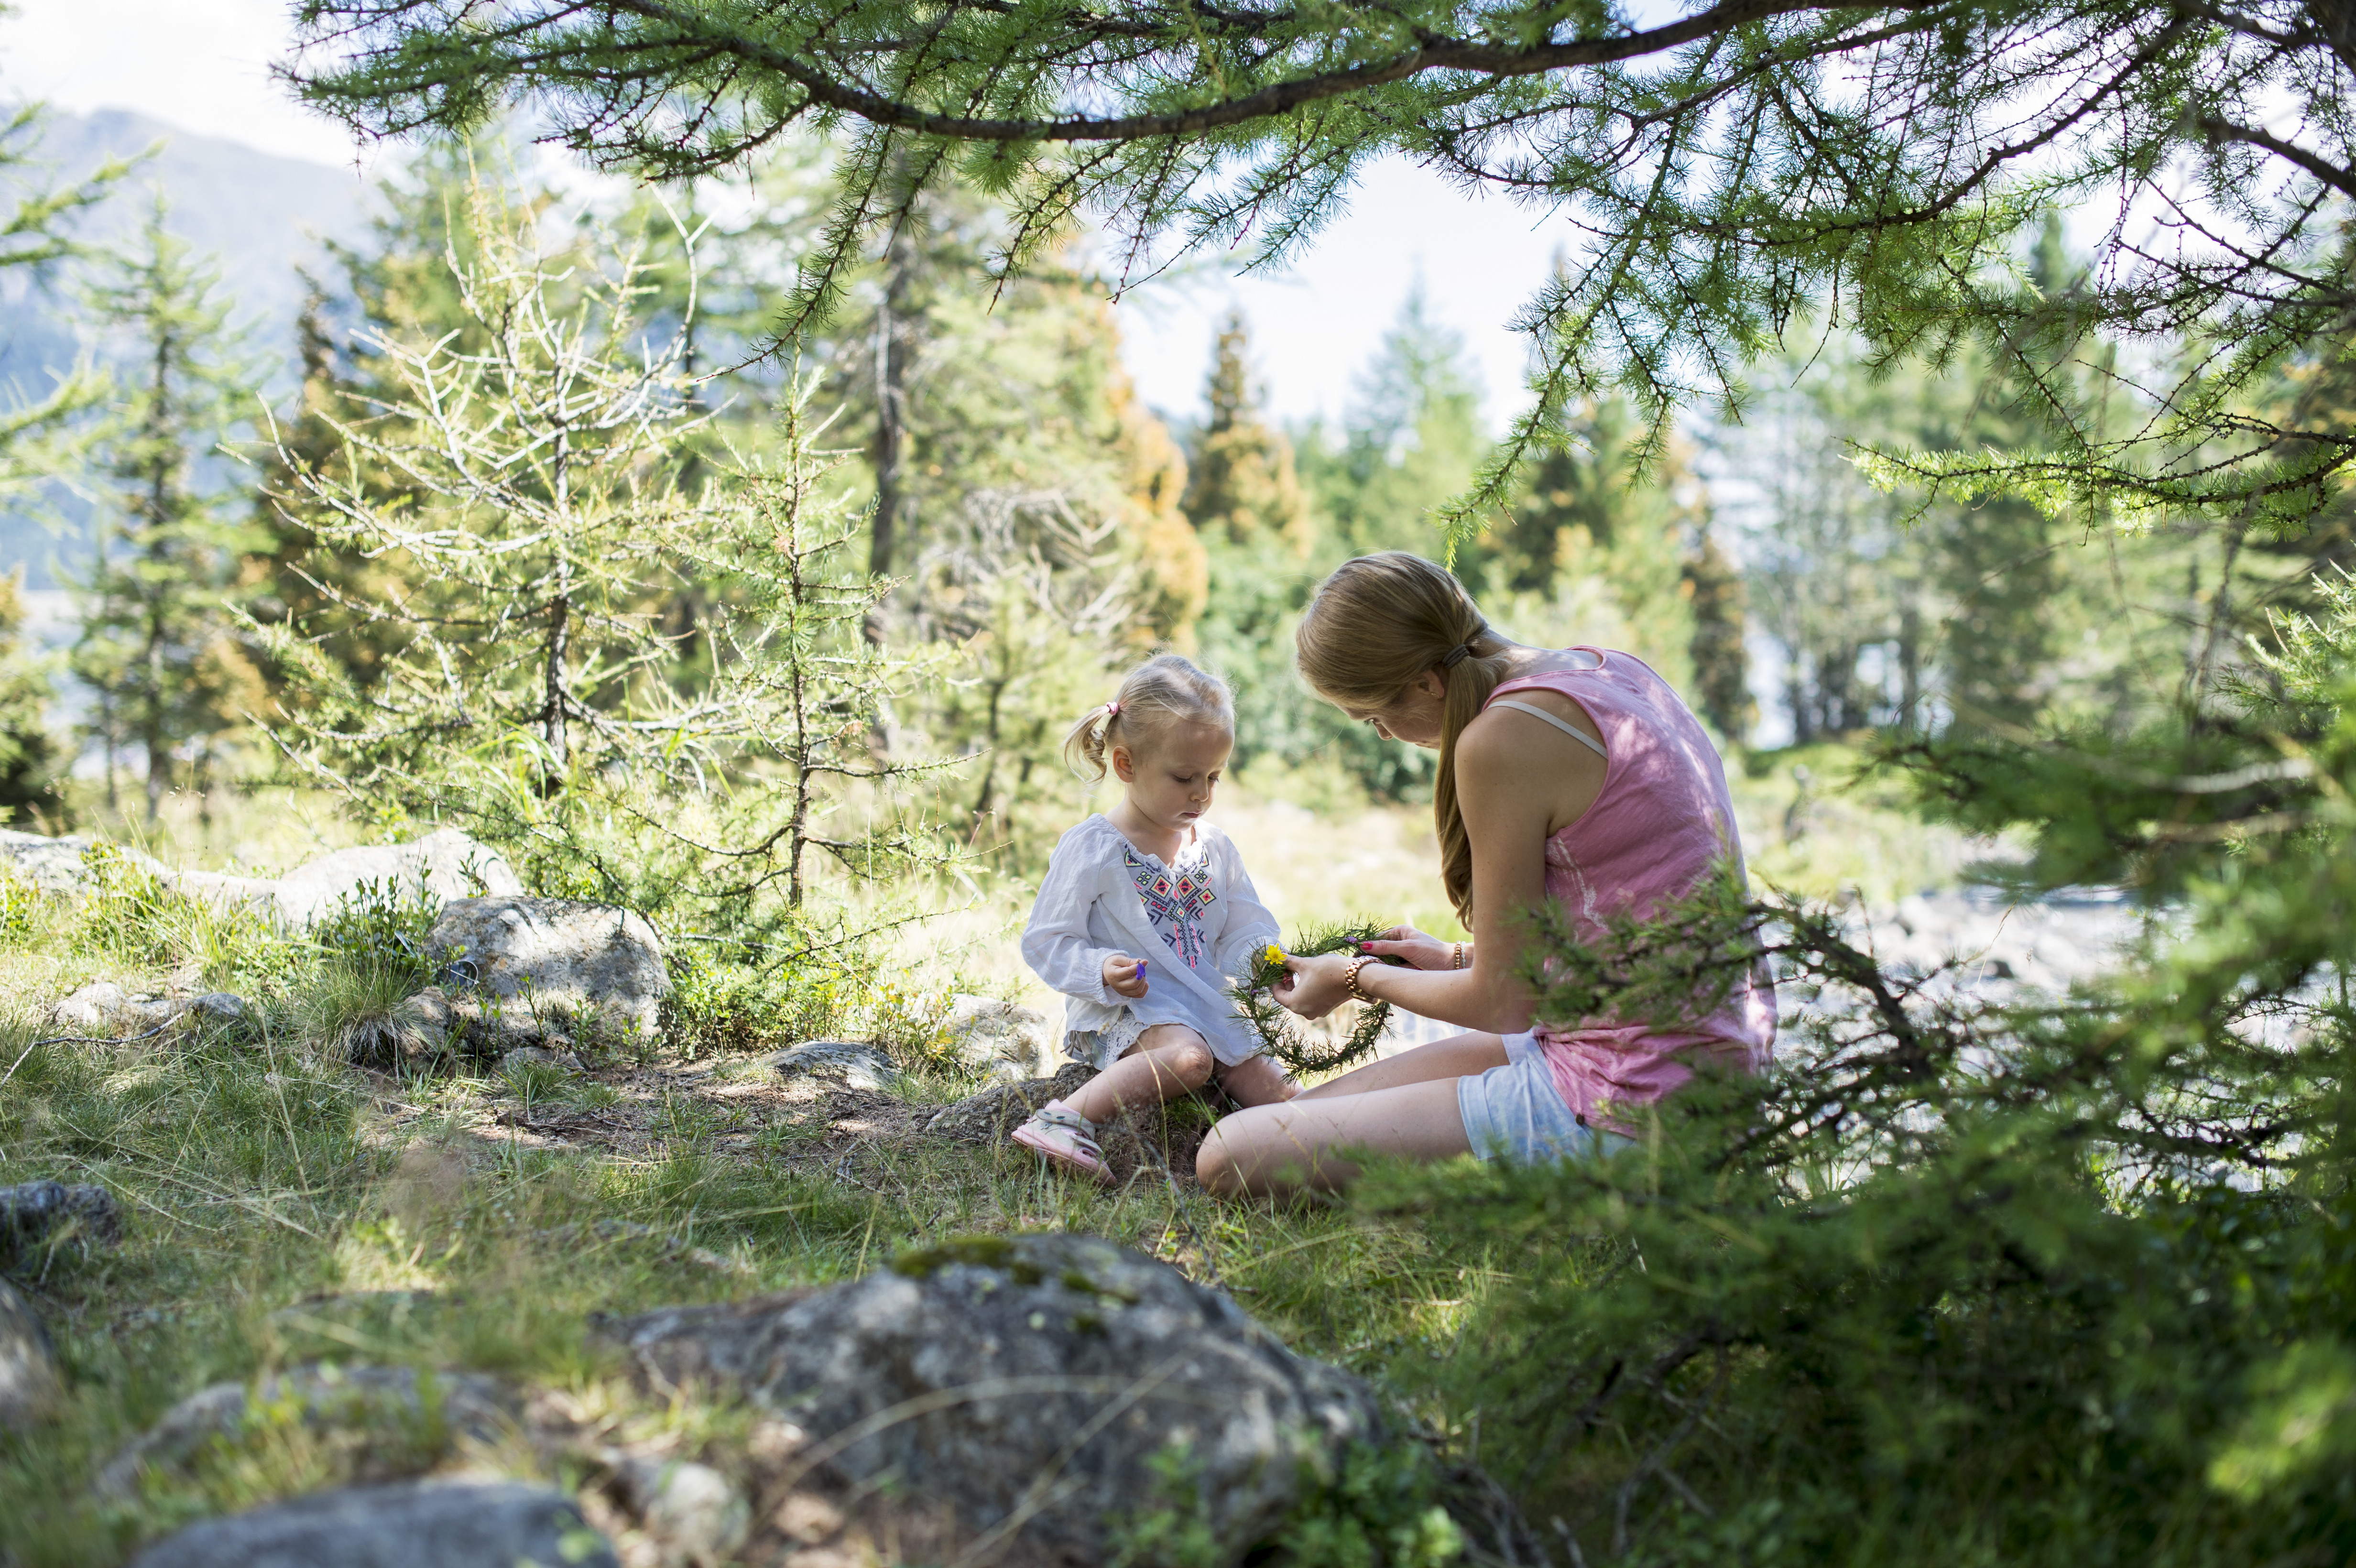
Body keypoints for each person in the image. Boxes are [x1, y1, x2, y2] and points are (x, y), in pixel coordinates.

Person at [1195, 552, 1774, 1199]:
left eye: (1374, 716)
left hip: (1635, 1099)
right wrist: (1457, 958)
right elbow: (1630, 916)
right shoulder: (1611, 671)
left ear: (1425, 683)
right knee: (1289, 1120)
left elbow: (1503, 1003)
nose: (1383, 736)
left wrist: (1356, 978)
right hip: (1698, 1068)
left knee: (1229, 1157)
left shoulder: (1505, 738)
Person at [1014, 653, 1297, 1184]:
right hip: (1129, 1009)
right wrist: (1101, 970)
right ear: (1126, 766)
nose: (1202, 794)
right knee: (1190, 1060)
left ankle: (1320, 1156)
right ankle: (1062, 1119)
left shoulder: (1214, 848)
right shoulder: (1095, 847)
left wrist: (1267, 963)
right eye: (1185, 777)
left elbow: (1243, 926)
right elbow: (1047, 940)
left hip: (1202, 1001)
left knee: (1277, 1090)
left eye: (1214, 777)